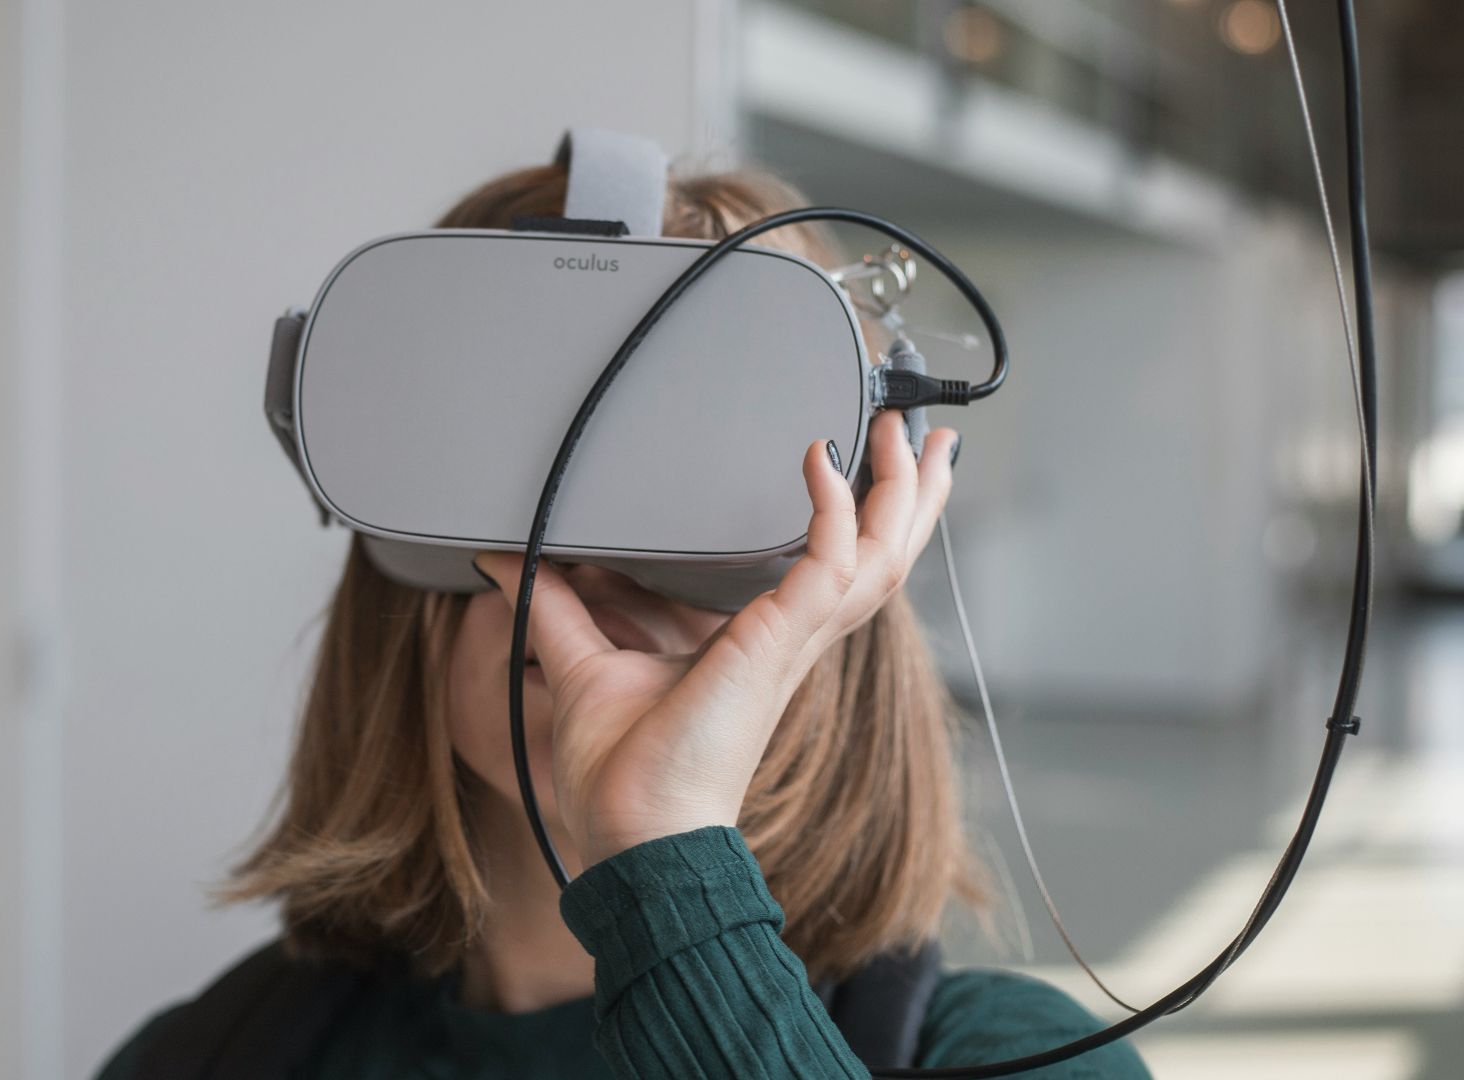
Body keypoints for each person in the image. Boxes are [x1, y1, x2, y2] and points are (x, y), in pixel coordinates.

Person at [97, 158, 1151, 1079]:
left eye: (689, 493)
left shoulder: (1019, 1055)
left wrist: (665, 854)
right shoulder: (209, 1057)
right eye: (524, 472)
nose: (593, 568)